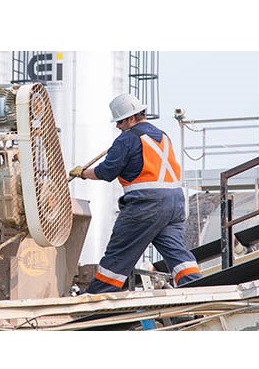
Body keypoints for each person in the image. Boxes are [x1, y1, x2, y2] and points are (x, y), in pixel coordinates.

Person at [69, 94, 202, 293]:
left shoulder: (127, 139)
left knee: (120, 252)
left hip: (147, 205)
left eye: (120, 121)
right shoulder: (163, 136)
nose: (118, 126)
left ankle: (97, 297)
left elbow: (106, 172)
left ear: (132, 118)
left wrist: (83, 173)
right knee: (177, 253)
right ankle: (196, 288)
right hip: (175, 203)